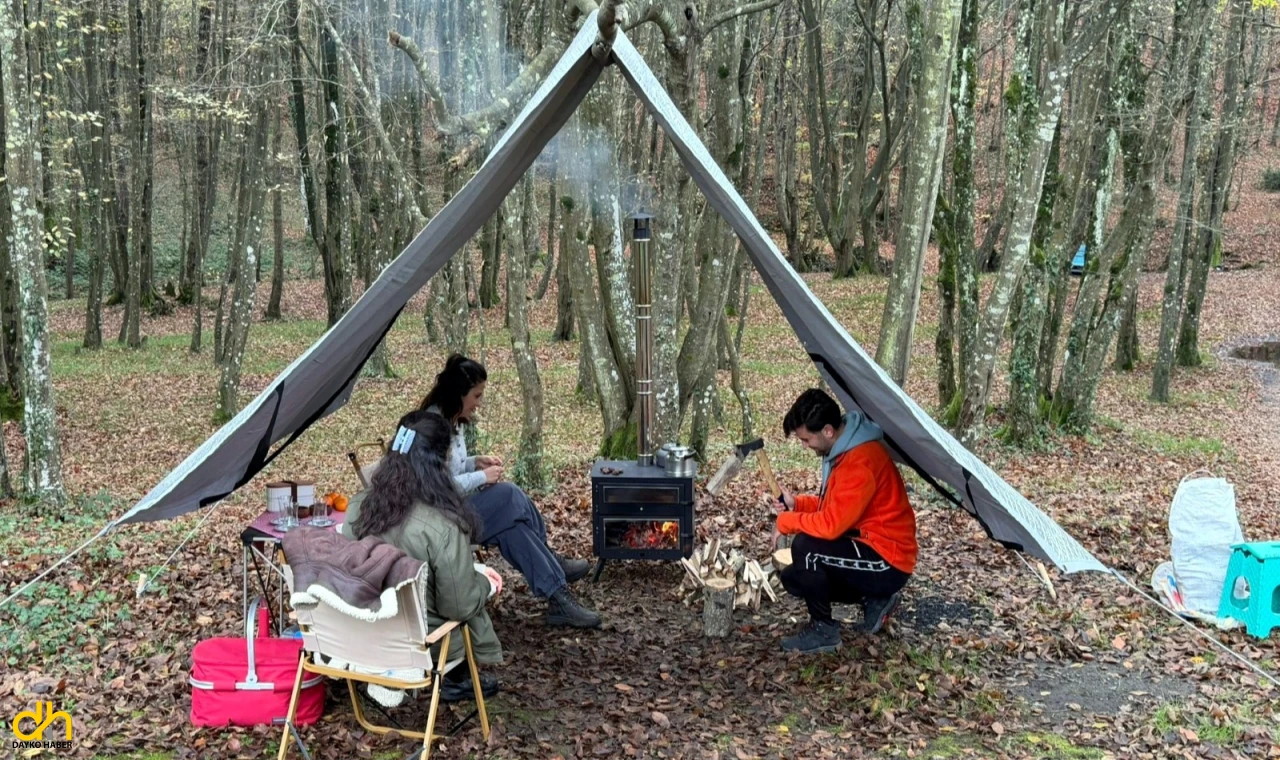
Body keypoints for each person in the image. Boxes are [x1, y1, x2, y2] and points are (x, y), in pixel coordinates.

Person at [420, 353, 602, 629]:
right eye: (477, 396)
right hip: (442, 520)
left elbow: (449, 468)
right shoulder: (433, 426)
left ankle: (557, 597)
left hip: (456, 508)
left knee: (511, 529)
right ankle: (552, 566)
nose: (479, 404)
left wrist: (474, 461)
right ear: (460, 393)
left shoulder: (452, 420)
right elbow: (437, 486)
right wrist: (481, 476)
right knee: (509, 494)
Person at [343, 409, 503, 702]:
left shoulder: (357, 507)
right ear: (440, 463)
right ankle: (455, 679)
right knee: (465, 605)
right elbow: (458, 605)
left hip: (365, 635)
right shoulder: (443, 524)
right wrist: (486, 585)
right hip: (423, 643)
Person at [772, 388, 918, 654]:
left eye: (806, 439)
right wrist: (797, 504)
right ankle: (875, 598)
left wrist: (787, 521)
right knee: (795, 578)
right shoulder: (845, 450)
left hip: (889, 561)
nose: (805, 446)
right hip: (868, 545)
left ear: (827, 431)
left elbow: (831, 525)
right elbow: (838, 508)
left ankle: (824, 631)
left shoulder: (859, 461)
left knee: (806, 548)